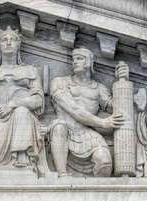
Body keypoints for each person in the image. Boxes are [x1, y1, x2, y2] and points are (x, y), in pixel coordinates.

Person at [0, 27, 50, 176]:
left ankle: (22, 159)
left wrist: (12, 104)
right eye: (4, 40)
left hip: (22, 121)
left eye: (13, 39)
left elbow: (38, 100)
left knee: (21, 111)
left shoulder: (30, 70)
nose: (8, 43)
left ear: (19, 45)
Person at [48, 48, 126, 177]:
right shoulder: (60, 83)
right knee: (59, 126)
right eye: (73, 59)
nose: (74, 62)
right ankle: (62, 173)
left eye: (79, 58)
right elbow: (73, 109)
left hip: (87, 133)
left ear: (89, 62)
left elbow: (118, 108)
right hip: (65, 131)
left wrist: (123, 80)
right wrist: (102, 122)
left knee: (105, 163)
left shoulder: (99, 88)